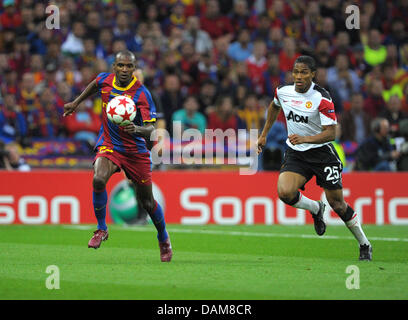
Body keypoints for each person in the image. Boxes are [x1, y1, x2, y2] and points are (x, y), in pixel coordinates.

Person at [257, 55, 372, 261]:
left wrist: (305, 138)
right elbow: (274, 106)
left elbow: (331, 134)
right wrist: (264, 134)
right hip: (296, 152)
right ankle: (316, 208)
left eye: (303, 72)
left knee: (337, 204)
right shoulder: (283, 92)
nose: (298, 76)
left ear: (312, 74)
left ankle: (364, 243)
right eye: (296, 72)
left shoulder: (322, 97)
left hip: (321, 154)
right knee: (284, 192)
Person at [63, 50, 172, 262]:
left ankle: (163, 237)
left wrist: (136, 129)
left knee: (147, 202)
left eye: (128, 66)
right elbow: (95, 84)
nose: (124, 70)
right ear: (114, 66)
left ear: (134, 68)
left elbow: (151, 130)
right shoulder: (105, 80)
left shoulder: (142, 93)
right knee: (98, 178)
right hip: (110, 144)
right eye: (120, 65)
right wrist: (75, 103)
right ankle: (101, 229)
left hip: (135, 151)